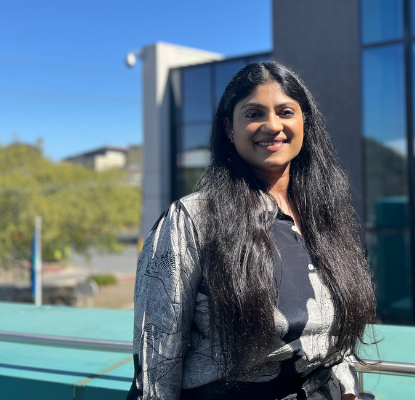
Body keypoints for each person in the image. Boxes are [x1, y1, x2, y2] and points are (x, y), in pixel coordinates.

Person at [127, 62, 376, 400]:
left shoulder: (326, 215)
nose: (272, 126)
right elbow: (156, 363)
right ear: (229, 128)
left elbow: (336, 340)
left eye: (286, 111)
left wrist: (348, 390)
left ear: (305, 122)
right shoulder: (192, 219)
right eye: (254, 113)